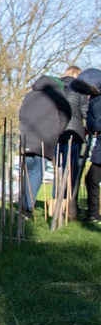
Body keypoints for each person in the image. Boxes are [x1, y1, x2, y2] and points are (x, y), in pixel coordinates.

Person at [18, 75, 72, 217]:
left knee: (28, 171)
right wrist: (57, 132)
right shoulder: (58, 95)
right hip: (45, 138)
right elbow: (67, 114)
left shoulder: (29, 95)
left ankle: (23, 205)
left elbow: (21, 114)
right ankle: (27, 208)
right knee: (37, 171)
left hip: (26, 137)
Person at [57, 65, 89, 218]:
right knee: (72, 169)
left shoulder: (56, 89)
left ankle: (59, 203)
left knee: (59, 168)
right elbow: (85, 112)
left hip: (57, 133)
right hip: (74, 133)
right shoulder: (79, 90)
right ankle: (71, 204)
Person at [71, 68, 101, 224]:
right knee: (91, 179)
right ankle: (93, 214)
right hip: (99, 144)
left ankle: (94, 214)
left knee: (92, 179)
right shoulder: (94, 99)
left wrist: (93, 126)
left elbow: (96, 122)